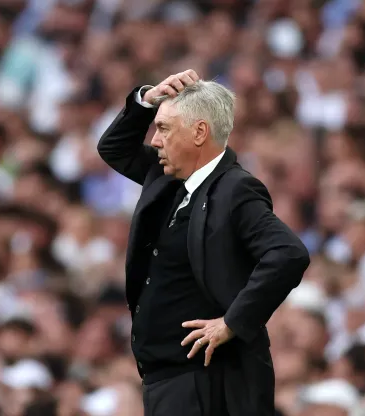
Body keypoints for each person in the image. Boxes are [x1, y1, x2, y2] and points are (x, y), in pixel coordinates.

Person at [97, 69, 310, 415]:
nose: (154, 139)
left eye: (164, 128)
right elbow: (114, 148)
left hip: (206, 382)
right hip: (164, 379)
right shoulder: (165, 177)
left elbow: (288, 253)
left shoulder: (235, 189)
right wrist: (147, 102)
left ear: (199, 132)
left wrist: (233, 322)